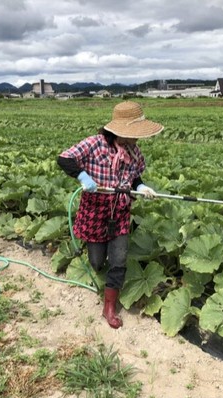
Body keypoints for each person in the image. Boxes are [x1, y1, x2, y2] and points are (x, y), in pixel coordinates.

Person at [57, 101, 163, 329]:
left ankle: (109, 307)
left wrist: (141, 187)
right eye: (134, 133)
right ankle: (97, 263)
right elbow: (64, 159)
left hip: (120, 210)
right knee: (97, 261)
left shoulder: (134, 152)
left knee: (119, 259)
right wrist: (83, 177)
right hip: (95, 210)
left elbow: (135, 177)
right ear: (119, 130)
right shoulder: (95, 144)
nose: (137, 138)